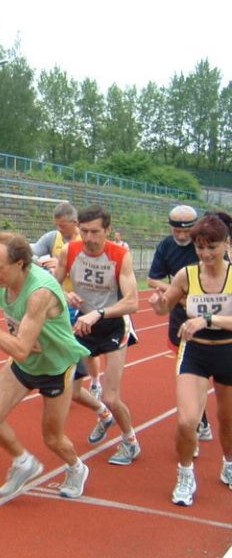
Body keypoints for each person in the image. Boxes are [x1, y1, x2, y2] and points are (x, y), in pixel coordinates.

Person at [0, 232, 91, 498]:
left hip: (55, 367)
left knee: (53, 438)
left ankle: (76, 467)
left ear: (20, 263)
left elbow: (21, 349)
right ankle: (23, 461)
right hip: (25, 365)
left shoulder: (39, 293)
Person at [148, 213, 232, 506]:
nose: (206, 254)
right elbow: (164, 308)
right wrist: (159, 303)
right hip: (194, 352)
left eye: (212, 247)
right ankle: (185, 474)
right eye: (200, 248)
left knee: (227, 418)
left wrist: (207, 318)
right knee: (187, 422)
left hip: (228, 351)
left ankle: (229, 464)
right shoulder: (186, 274)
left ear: (226, 244)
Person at [56, 205, 141, 466]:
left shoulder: (120, 255)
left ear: (107, 230)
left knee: (111, 396)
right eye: (84, 232)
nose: (90, 238)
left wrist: (100, 313)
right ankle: (104, 416)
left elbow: (132, 302)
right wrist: (65, 294)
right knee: (71, 391)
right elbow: (52, 285)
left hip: (114, 326)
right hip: (83, 326)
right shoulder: (69, 251)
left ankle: (130, 442)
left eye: (95, 232)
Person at [147, 205, 213, 451]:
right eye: (177, 231)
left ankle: (200, 422)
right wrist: (175, 291)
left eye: (187, 232)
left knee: (209, 377)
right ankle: (198, 424)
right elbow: (153, 278)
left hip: (214, 319)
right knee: (191, 375)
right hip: (180, 319)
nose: (182, 237)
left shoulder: (207, 245)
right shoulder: (166, 246)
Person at [32, 200, 103, 399]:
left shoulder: (87, 239)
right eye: (57, 225)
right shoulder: (52, 238)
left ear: (75, 222)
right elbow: (30, 254)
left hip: (83, 301)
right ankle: (61, 380)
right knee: (57, 340)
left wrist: (63, 263)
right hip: (60, 300)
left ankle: (95, 382)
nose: (59, 229)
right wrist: (42, 262)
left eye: (63, 225)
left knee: (85, 348)